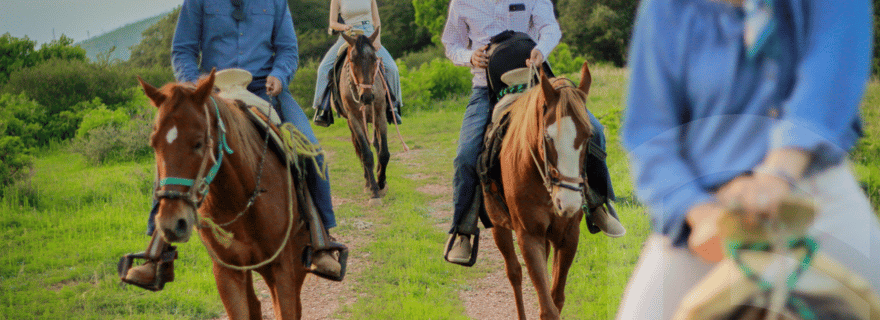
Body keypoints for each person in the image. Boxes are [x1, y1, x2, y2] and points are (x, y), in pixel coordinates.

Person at [617, 0, 880, 318]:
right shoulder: (666, 8)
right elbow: (649, 134)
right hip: (708, 212)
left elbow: (830, 77)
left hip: (815, 194)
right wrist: (698, 212)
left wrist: (776, 175)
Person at [121, 0, 344, 289]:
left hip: (264, 89)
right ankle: (157, 255)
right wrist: (193, 85)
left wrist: (280, 75)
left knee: (312, 151)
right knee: (174, 151)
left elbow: (288, 49)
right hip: (210, 93)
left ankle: (320, 240)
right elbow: (183, 50)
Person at [440, 0, 626, 265]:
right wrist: (468, 57)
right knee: (466, 156)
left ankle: (597, 204)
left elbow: (550, 27)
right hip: (486, 88)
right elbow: (452, 44)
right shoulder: (462, 3)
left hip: (536, 82)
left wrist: (541, 49)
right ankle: (463, 231)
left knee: (593, 129)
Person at [312, 0, 402, 126]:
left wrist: (377, 40)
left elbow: (376, 21)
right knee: (323, 68)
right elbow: (332, 23)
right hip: (349, 36)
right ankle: (323, 108)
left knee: (392, 68)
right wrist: (343, 27)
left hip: (369, 33)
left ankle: (394, 107)